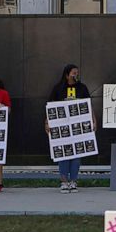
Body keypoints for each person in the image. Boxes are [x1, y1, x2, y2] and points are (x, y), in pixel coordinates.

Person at [46, 64, 94, 193]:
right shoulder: (58, 88)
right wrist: (47, 122)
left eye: (77, 73)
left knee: (77, 154)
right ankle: (64, 181)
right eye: (73, 73)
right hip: (62, 126)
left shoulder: (82, 88)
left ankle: (73, 181)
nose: (75, 75)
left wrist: (93, 120)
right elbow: (50, 106)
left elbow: (88, 105)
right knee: (63, 154)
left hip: (78, 126)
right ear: (67, 74)